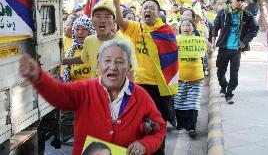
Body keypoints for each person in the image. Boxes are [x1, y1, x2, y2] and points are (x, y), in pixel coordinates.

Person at [19, 40, 166, 155]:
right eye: (107, 60)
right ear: (98, 63)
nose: (113, 66)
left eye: (120, 62)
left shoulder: (141, 96)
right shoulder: (85, 89)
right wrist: (39, 77)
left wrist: (145, 145)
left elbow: (159, 128)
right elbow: (59, 93)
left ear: (129, 67)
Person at [111, 0, 178, 155]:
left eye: (152, 8)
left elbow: (172, 62)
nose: (148, 10)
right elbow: (119, 20)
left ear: (158, 13)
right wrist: (116, 2)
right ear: (140, 12)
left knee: (157, 126)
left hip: (159, 88)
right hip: (138, 87)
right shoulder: (135, 28)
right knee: (138, 126)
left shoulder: (166, 31)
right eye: (145, 8)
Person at [63, 1, 136, 81]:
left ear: (113, 21)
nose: (102, 20)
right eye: (98, 16)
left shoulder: (124, 42)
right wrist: (64, 61)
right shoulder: (89, 41)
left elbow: (130, 73)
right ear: (92, 21)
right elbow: (84, 58)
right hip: (95, 91)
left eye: (107, 17)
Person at [212, 0, 259, 104]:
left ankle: (229, 94)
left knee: (234, 73)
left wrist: (245, 40)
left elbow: (255, 28)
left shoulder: (247, 15)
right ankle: (223, 85)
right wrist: (213, 41)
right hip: (223, 48)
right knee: (220, 73)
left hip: (236, 50)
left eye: (242, 0)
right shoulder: (223, 12)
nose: (240, 2)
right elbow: (215, 26)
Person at [60, 17, 95, 145]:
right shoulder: (71, 47)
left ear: (90, 31)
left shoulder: (94, 47)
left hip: (91, 90)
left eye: (84, 30)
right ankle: (68, 137)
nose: (79, 32)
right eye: (77, 29)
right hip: (73, 88)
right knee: (67, 115)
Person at [174, 19, 204, 138]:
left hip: (196, 76)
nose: (186, 28)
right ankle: (181, 123)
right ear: (180, 28)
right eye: (183, 25)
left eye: (189, 25)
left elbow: (207, 51)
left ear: (193, 28)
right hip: (179, 77)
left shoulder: (199, 41)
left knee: (193, 102)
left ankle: (191, 127)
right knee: (179, 101)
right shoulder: (175, 40)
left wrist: (208, 44)